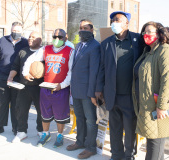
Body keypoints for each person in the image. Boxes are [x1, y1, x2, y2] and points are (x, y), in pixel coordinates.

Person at [132, 21, 169, 160]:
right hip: (147, 105)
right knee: (154, 143)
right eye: (144, 32)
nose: (146, 34)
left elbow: (168, 81)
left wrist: (162, 106)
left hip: (157, 107)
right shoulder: (148, 52)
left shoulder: (166, 51)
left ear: (159, 33)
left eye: (149, 31)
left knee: (154, 144)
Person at [95, 11, 142, 160]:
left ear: (127, 23)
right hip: (111, 94)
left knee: (129, 129)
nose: (114, 23)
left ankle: (129, 155)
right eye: (112, 20)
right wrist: (98, 89)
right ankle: (116, 154)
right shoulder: (107, 43)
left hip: (130, 95)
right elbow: (102, 67)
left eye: (118, 20)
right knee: (115, 128)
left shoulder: (138, 40)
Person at [22, 29, 74, 148]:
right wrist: (25, 72)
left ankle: (60, 135)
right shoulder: (45, 49)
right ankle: (45, 134)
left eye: (60, 37)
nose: (57, 39)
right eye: (54, 36)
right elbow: (31, 59)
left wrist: (62, 85)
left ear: (65, 38)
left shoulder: (70, 51)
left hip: (61, 88)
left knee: (60, 115)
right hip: (46, 87)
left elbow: (71, 72)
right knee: (44, 114)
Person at [66, 19, 100, 159]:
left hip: (87, 92)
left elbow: (94, 72)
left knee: (90, 120)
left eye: (86, 28)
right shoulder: (78, 45)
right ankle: (80, 142)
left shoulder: (95, 46)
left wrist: (92, 93)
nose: (82, 30)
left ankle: (91, 147)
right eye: (81, 27)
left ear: (92, 30)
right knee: (79, 118)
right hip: (77, 90)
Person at [0, 22, 29, 137]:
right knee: (2, 103)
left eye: (18, 31)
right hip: (2, 77)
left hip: (17, 80)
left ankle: (15, 128)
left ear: (21, 31)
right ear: (11, 30)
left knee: (16, 105)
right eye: (14, 30)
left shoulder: (25, 42)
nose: (16, 32)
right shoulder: (3, 40)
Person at [7, 31, 43, 143]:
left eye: (33, 37)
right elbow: (15, 66)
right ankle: (21, 132)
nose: (30, 39)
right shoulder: (22, 51)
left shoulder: (44, 52)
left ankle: (41, 130)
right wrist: (10, 77)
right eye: (29, 37)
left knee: (41, 111)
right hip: (24, 86)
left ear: (40, 40)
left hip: (39, 87)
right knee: (21, 110)